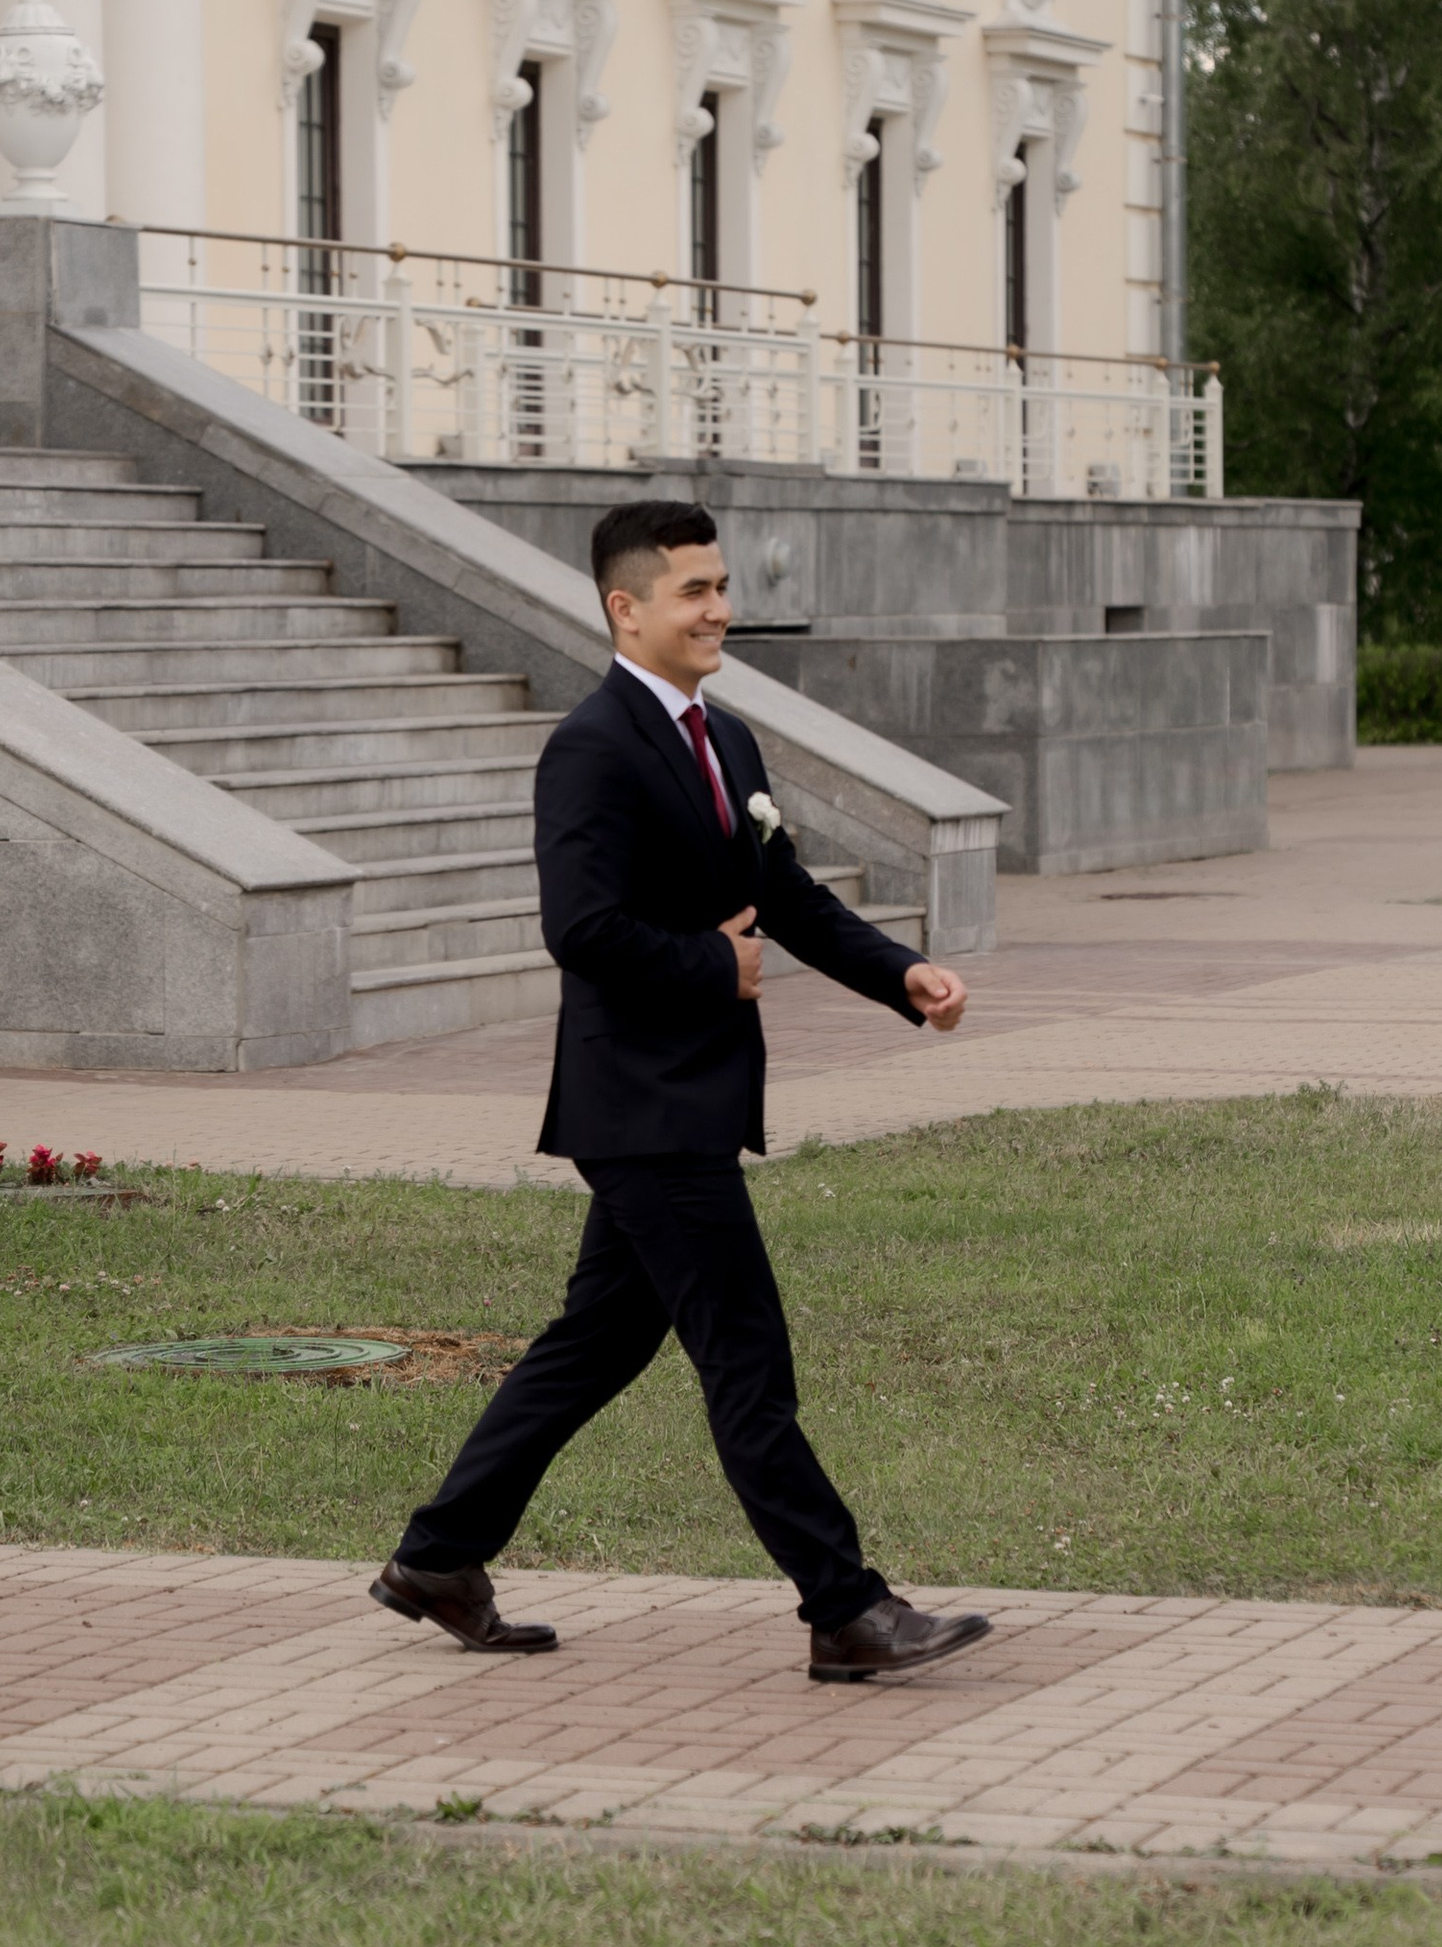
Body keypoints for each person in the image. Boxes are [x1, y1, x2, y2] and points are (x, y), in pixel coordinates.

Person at [372, 498, 992, 1684]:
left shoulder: (727, 740)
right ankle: (846, 1610)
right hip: (642, 1106)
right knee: (745, 1355)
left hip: (685, 1100)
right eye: (693, 591)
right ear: (627, 607)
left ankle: (437, 1558)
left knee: (593, 1346)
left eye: (720, 585)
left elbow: (789, 897)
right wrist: (717, 962)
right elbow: (580, 928)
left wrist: (900, 976)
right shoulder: (592, 746)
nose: (718, 608)